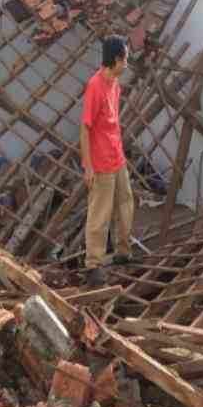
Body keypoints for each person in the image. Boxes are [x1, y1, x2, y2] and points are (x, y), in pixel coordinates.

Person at [80, 35, 136, 287]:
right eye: (126, 58)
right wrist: (88, 166)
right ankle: (93, 265)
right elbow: (85, 128)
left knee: (126, 202)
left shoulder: (115, 84)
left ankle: (123, 252)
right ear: (116, 60)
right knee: (100, 215)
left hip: (117, 156)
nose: (127, 63)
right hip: (101, 162)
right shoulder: (95, 85)